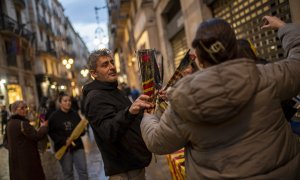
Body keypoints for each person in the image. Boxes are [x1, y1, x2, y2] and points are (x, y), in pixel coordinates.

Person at [140, 16, 300, 179]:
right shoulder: (267, 77)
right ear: (234, 48)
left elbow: (157, 141)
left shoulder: (183, 102)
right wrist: (283, 27)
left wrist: (148, 117)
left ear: (200, 60)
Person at [82, 48, 152, 179]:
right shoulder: (96, 97)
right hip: (124, 171)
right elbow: (108, 131)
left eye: (111, 62)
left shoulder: (113, 90)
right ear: (94, 73)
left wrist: (145, 106)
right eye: (105, 65)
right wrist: (130, 111)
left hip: (134, 164)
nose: (112, 67)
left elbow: (128, 119)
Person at [48, 93, 88, 180]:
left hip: (77, 146)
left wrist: (81, 132)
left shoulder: (75, 114)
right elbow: (51, 133)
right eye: (65, 101)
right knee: (68, 174)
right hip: (63, 149)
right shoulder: (54, 117)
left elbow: (82, 129)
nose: (68, 103)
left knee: (83, 171)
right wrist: (63, 140)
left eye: (69, 100)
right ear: (60, 103)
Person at [7, 100, 48, 180]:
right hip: (28, 159)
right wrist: (43, 127)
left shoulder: (10, 123)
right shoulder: (22, 123)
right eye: (22, 108)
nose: (25, 109)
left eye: (26, 107)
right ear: (15, 110)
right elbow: (37, 136)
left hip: (16, 160)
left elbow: (6, 142)